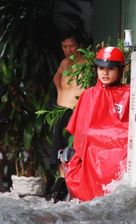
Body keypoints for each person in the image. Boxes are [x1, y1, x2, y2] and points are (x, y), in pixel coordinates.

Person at [63, 46, 130, 201]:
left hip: (120, 158)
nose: (105, 73)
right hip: (91, 157)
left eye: (110, 68)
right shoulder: (88, 95)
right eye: (101, 68)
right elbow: (80, 136)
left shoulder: (130, 93)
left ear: (120, 70)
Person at [45, 30, 86, 201]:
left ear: (80, 46)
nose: (68, 50)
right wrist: (60, 90)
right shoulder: (64, 62)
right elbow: (56, 76)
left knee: (75, 150)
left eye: (71, 46)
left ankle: (74, 186)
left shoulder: (86, 62)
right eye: (64, 46)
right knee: (58, 149)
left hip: (77, 112)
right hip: (61, 110)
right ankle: (61, 183)